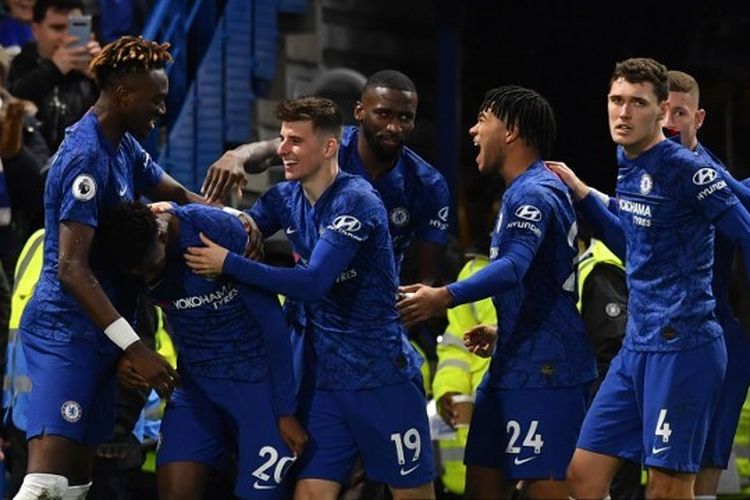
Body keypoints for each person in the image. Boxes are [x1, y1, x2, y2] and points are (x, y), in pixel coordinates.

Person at [183, 96, 436, 500]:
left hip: (382, 378)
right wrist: (174, 213)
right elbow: (240, 228)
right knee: (310, 494)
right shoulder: (285, 197)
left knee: (412, 496)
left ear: (329, 147)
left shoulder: (358, 201)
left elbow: (314, 282)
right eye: (282, 138)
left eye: (295, 141)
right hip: (326, 384)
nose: (282, 149)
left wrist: (228, 264)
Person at [548, 57, 750, 500]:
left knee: (667, 489)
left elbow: (745, 230)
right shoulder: (627, 158)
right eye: (616, 100)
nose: (623, 113)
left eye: (637, 103)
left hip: (685, 349)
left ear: (660, 111)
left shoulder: (687, 170)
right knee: (582, 478)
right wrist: (583, 194)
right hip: (636, 348)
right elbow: (634, 241)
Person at [13, 35, 205, 499]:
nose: (161, 110)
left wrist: (237, 221)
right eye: (156, 101)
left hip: (100, 339)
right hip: (64, 337)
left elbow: (177, 194)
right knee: (44, 486)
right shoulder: (86, 156)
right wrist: (136, 347)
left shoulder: (121, 144)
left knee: (76, 486)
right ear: (124, 96)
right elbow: (72, 270)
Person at [395, 85, 596, 499]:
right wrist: (504, 332)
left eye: (483, 119)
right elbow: (540, 280)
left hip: (546, 371)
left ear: (511, 131)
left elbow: (512, 266)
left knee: (546, 490)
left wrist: (444, 295)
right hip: (511, 362)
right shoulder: (517, 193)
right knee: (481, 483)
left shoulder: (536, 193)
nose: (472, 130)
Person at [97, 201, 307, 499]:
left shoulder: (212, 231)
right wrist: (124, 354)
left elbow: (272, 322)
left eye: (154, 269)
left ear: (162, 236)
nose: (148, 281)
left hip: (257, 384)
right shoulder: (126, 252)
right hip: (196, 387)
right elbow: (115, 311)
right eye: (138, 275)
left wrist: (286, 410)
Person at [201, 69, 451, 286]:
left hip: (368, 311)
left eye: (405, 117)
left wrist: (408, 310)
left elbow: (428, 279)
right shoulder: (325, 149)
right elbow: (269, 152)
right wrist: (236, 156)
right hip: (309, 307)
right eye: (384, 115)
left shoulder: (427, 184)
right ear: (359, 112)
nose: (394, 127)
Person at [430, 238, 495, 498]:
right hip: (480, 411)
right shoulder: (473, 273)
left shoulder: (554, 269)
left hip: (529, 403)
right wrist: (449, 388)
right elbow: (456, 345)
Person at [7, 0, 101, 151]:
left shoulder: (100, 64)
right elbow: (14, 97)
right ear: (35, 30)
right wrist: (54, 68)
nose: (66, 38)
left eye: (74, 29)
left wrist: (101, 76)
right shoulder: (23, 60)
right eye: (58, 28)